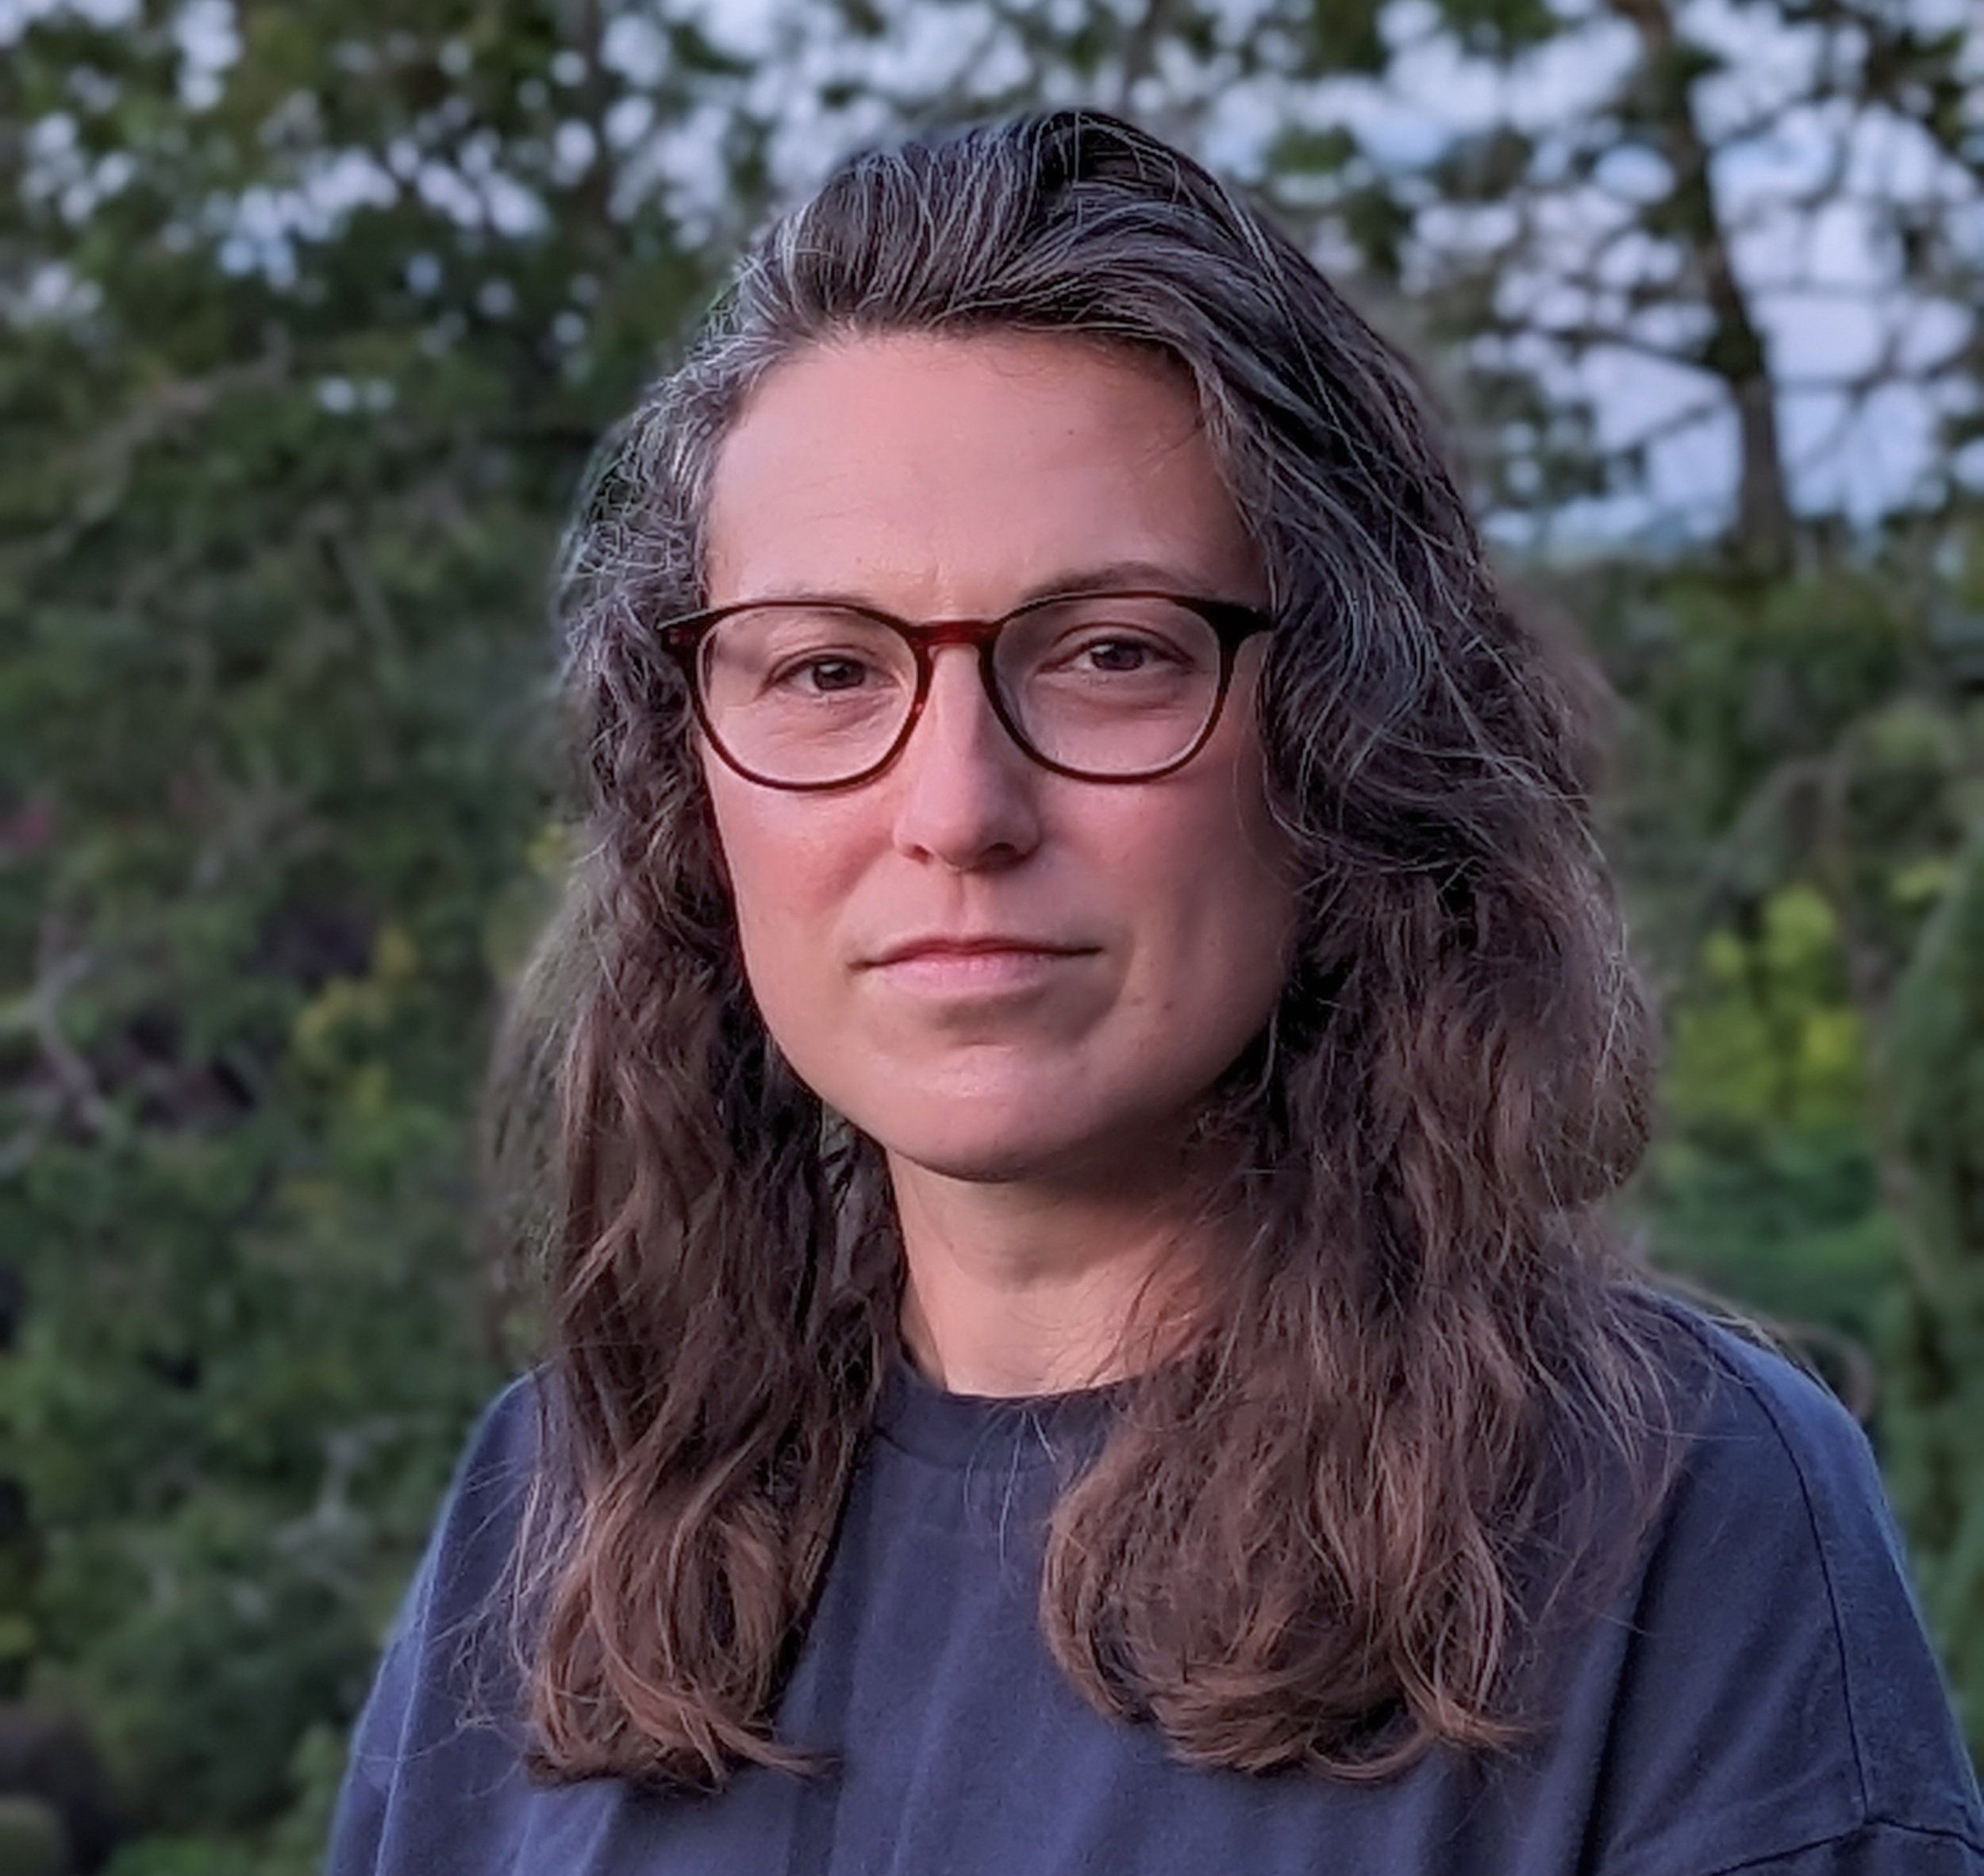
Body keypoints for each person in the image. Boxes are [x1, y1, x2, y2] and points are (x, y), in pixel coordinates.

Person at [328, 108, 1984, 1876]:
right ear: (693, 780)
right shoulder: (562, 1503)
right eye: (822, 665)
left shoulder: (1662, 1525)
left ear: (1344, 735)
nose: (955, 807)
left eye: (1111, 651)